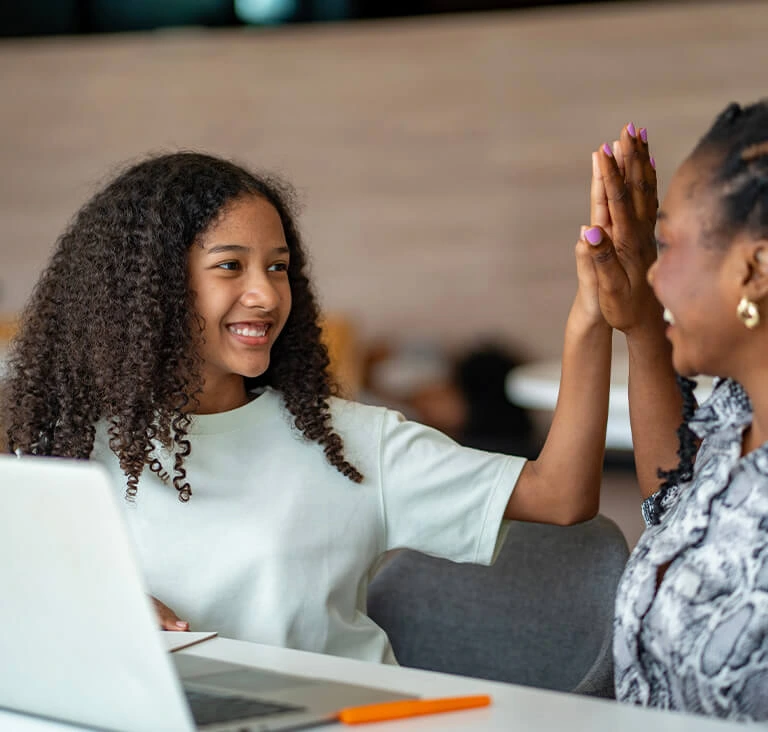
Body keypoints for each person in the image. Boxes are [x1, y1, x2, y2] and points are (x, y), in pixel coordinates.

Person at [1, 151, 611, 665]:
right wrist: (94, 598)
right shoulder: (61, 447)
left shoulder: (348, 445)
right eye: (230, 267)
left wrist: (593, 317)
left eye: (278, 267)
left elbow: (561, 495)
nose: (265, 294)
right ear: (147, 286)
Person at [583, 104, 768, 720]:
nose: (655, 275)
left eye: (669, 245)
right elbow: (674, 505)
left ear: (756, 268)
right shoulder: (740, 415)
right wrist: (639, 324)